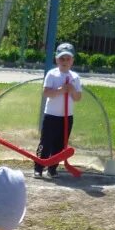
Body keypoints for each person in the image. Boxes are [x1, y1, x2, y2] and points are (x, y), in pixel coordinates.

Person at [34, 42, 83, 179]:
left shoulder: (75, 77)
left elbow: (78, 97)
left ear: (72, 60)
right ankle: (38, 167)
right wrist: (61, 90)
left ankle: (52, 168)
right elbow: (46, 93)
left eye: (68, 59)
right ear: (56, 59)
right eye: (62, 58)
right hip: (51, 115)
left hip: (67, 117)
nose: (65, 61)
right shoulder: (52, 74)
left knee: (60, 144)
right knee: (46, 142)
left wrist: (72, 90)